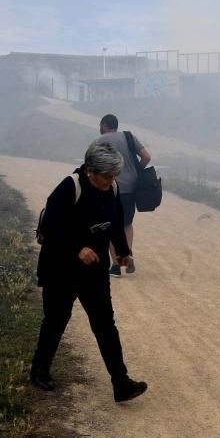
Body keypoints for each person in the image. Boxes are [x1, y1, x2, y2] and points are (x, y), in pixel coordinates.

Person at [30, 142, 148, 402]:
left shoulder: (112, 188)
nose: (111, 181)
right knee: (56, 320)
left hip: (94, 271)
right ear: (89, 170)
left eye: (114, 176)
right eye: (106, 176)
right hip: (60, 268)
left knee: (105, 324)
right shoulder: (70, 187)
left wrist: (123, 250)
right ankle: (39, 371)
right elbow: (50, 227)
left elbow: (116, 222)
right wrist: (76, 248)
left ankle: (121, 383)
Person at [95, 114, 151, 277]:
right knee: (126, 223)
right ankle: (128, 255)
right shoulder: (129, 137)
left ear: (104, 125)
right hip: (130, 188)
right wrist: (136, 173)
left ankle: (116, 266)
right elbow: (146, 157)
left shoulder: (100, 141)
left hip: (109, 188)